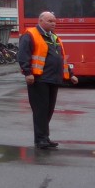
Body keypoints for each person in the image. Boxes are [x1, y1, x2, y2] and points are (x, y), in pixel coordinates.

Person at [17, 11, 76, 149]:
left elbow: (61, 59)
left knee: (48, 110)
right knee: (40, 110)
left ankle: (45, 137)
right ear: (41, 21)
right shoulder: (30, 35)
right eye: (50, 21)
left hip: (53, 79)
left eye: (54, 21)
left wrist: (70, 74)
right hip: (39, 79)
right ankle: (40, 139)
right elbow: (23, 55)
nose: (53, 23)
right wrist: (27, 72)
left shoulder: (54, 37)